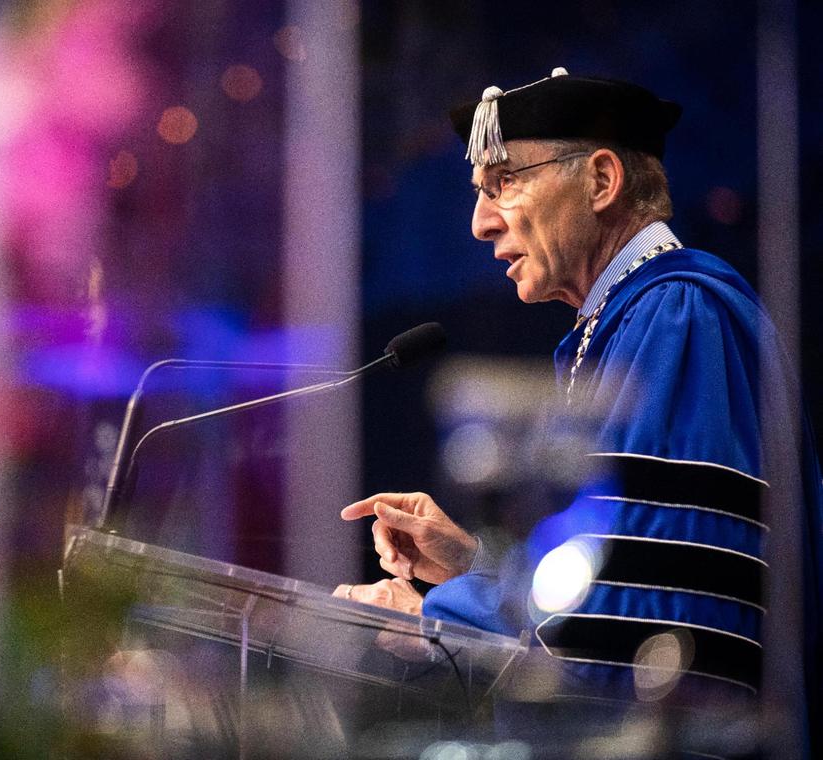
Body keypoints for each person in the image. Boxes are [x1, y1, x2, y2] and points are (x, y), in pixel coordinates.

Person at [334, 68, 822, 748]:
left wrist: (440, 615)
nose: (479, 222)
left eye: (504, 182)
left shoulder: (681, 314)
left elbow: (665, 610)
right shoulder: (620, 327)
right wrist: (478, 568)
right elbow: (618, 570)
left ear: (600, 181)